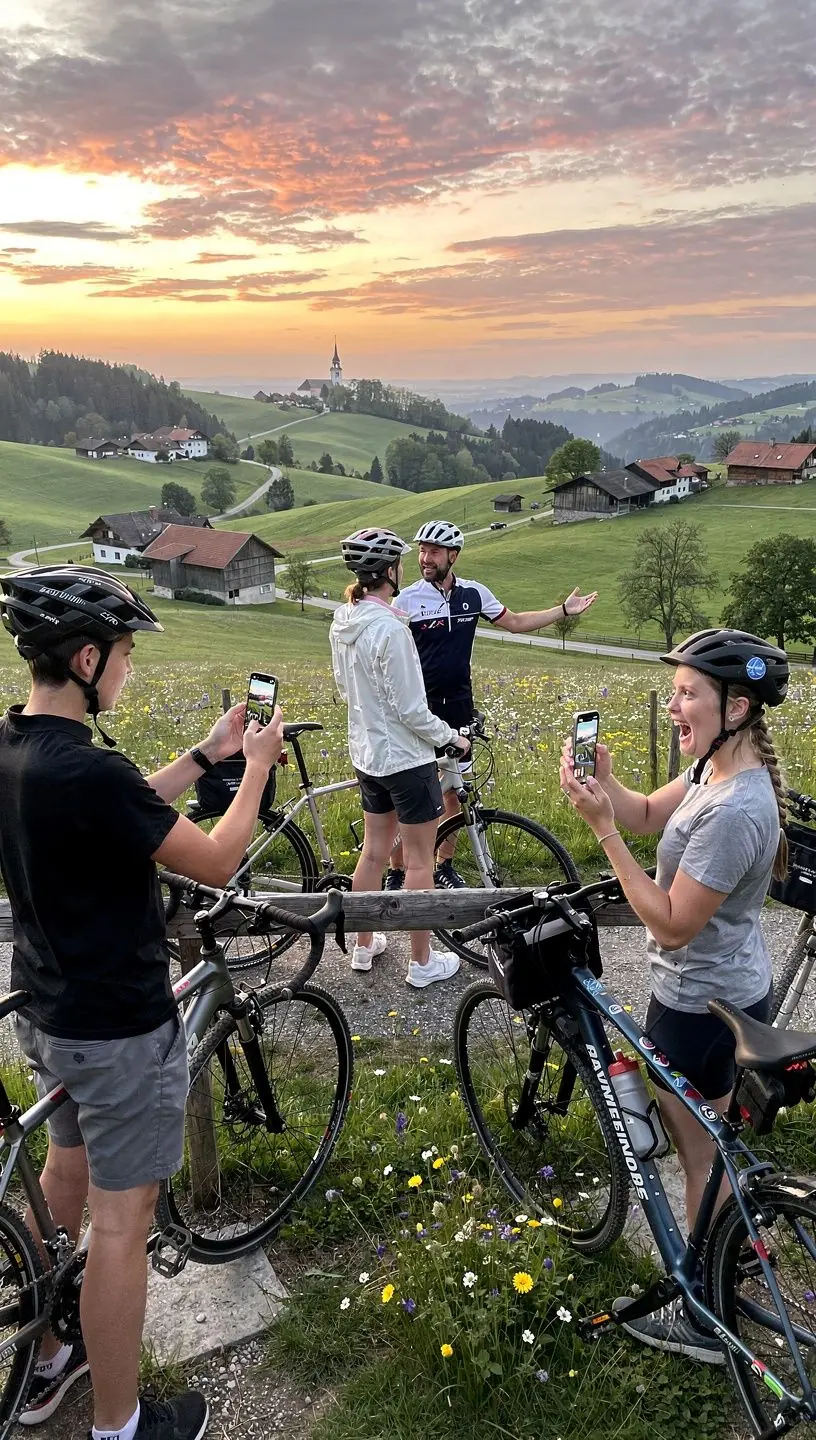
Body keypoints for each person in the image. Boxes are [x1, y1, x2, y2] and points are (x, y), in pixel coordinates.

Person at [0, 565, 284, 1440]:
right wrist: (255, 771)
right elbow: (218, 860)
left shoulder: (18, 748)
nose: (128, 667)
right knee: (123, 1227)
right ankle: (120, 1427)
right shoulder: (92, 770)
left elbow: (123, 813)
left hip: (47, 1010)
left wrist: (205, 753)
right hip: (118, 1027)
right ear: (87, 660)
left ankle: (49, 1358)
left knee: (65, 1172)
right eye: (124, 653)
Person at [560, 628, 789, 1365]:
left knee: (698, 1158)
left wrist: (602, 834)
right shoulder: (711, 772)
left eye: (687, 694)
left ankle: (706, 1319)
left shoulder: (735, 809)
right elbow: (648, 815)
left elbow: (670, 923)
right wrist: (609, 788)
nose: (672, 706)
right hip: (730, 988)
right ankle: (734, 1256)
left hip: (698, 1004)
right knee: (713, 1147)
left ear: (736, 708)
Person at [387, 518, 598, 888]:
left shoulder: (474, 594)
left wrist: (563, 611)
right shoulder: (405, 601)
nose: (425, 558)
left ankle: (444, 866)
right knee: (409, 794)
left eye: (433, 551)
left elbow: (514, 622)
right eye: (421, 551)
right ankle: (396, 871)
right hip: (419, 709)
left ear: (453, 556)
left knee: (457, 792)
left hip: (459, 706)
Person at [329, 529, 471, 986]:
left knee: (373, 852)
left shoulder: (344, 619)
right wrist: (451, 738)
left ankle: (363, 945)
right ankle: (422, 962)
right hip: (406, 760)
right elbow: (411, 709)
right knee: (419, 861)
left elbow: (344, 688)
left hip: (367, 754)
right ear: (390, 570)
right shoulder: (391, 629)